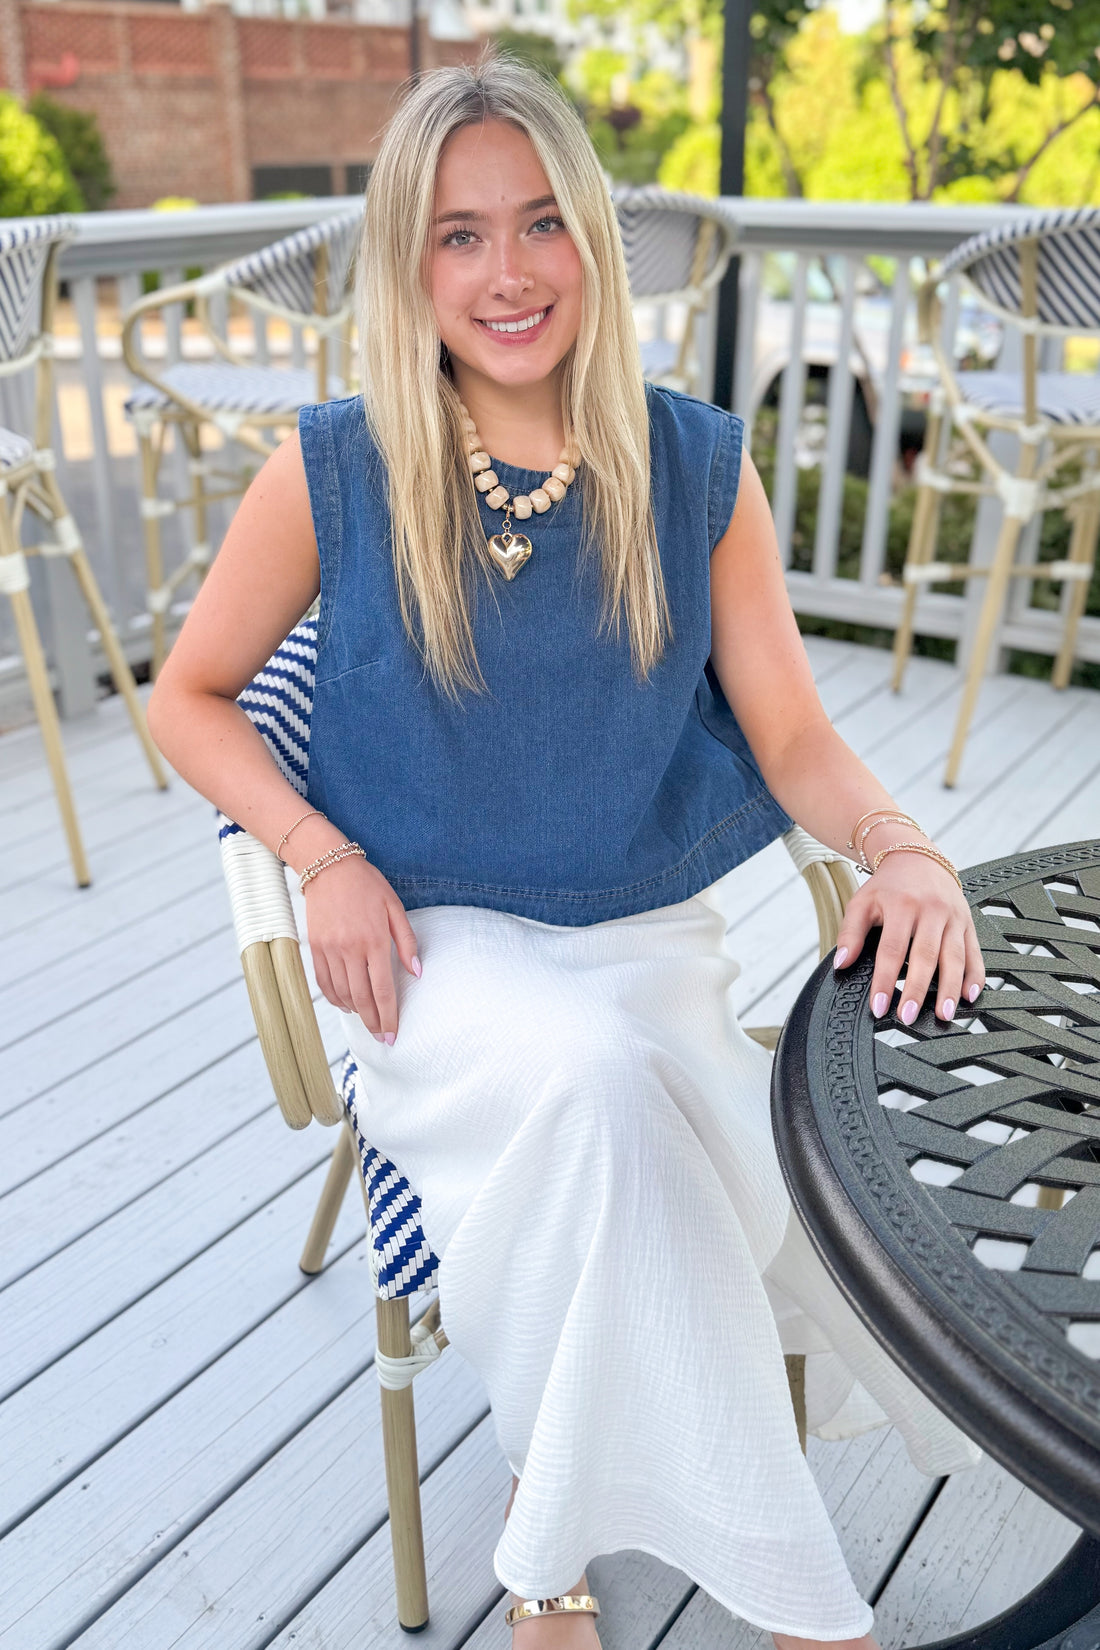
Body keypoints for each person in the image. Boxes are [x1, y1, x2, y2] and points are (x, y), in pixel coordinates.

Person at [147, 52, 985, 1650]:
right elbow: (186, 699)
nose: (509, 272)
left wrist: (904, 845)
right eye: (460, 235)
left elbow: (795, 733)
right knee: (608, 1094)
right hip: (427, 953)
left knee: (622, 1082)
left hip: (640, 938)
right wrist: (319, 850)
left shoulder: (695, 468)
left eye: (542, 223)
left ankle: (547, 1557)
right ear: (410, 260)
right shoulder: (335, 467)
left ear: (594, 238)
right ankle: (813, 1613)